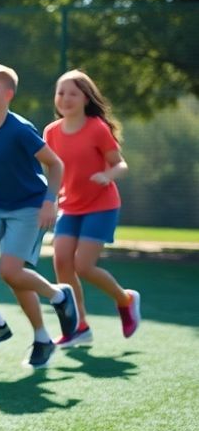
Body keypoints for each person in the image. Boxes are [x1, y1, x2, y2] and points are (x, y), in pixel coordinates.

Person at [0, 64, 79, 370]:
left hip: (29, 207)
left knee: (11, 274)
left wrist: (50, 202)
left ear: (8, 94)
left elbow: (56, 165)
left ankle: (55, 303)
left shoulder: (20, 129)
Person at [44, 69, 141, 345]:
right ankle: (80, 327)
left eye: (73, 93)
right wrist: (48, 200)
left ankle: (125, 299)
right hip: (70, 207)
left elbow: (120, 164)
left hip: (102, 205)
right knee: (61, 261)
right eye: (61, 93)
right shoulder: (50, 132)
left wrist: (106, 176)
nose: (65, 98)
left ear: (86, 99)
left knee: (83, 266)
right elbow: (52, 171)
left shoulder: (97, 128)